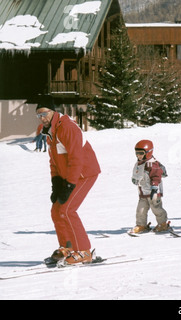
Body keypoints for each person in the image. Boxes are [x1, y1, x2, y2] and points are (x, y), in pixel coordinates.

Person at [36, 95, 101, 265]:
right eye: (39, 115)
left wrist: (70, 184)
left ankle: (84, 251)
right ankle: (68, 247)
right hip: (70, 175)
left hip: (84, 173)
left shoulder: (66, 127)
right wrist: (56, 183)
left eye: (44, 113)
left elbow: (76, 158)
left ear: (52, 111)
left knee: (67, 209)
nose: (42, 118)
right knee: (56, 210)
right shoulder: (50, 132)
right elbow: (54, 161)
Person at [130, 140, 170, 234]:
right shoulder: (139, 163)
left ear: (148, 152)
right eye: (137, 153)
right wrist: (135, 179)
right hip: (143, 192)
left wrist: (154, 188)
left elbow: (156, 177)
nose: (138, 155)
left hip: (153, 192)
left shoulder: (152, 164)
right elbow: (137, 174)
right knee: (140, 210)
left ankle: (163, 224)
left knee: (156, 208)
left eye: (141, 153)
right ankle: (141, 225)